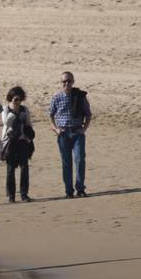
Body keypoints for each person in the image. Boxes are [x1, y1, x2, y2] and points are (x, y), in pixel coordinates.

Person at [48, 70, 92, 198]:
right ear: (60, 83)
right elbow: (50, 115)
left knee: (79, 160)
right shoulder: (56, 97)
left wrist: (84, 129)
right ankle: (68, 191)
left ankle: (80, 189)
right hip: (63, 134)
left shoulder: (79, 96)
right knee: (66, 162)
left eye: (69, 81)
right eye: (64, 81)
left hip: (77, 132)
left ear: (73, 82)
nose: (66, 83)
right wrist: (56, 129)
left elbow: (88, 114)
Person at [0, 86, 34, 203]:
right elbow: (6, 122)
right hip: (10, 142)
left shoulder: (24, 110)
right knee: (10, 169)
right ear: (10, 98)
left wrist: (29, 137)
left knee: (24, 167)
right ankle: (11, 195)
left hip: (22, 141)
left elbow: (28, 124)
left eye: (19, 99)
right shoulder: (5, 109)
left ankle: (24, 194)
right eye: (15, 99)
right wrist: (13, 111)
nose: (17, 101)